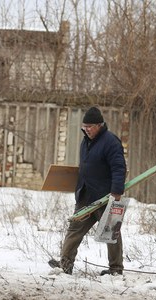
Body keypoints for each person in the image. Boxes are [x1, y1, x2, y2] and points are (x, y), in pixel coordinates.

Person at [49, 106, 127, 276]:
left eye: (90, 126)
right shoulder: (86, 141)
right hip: (86, 195)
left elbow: (119, 168)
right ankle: (65, 264)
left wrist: (116, 193)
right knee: (74, 229)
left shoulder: (111, 142)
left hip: (105, 197)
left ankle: (116, 269)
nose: (87, 129)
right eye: (85, 126)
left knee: (111, 232)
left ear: (100, 125)